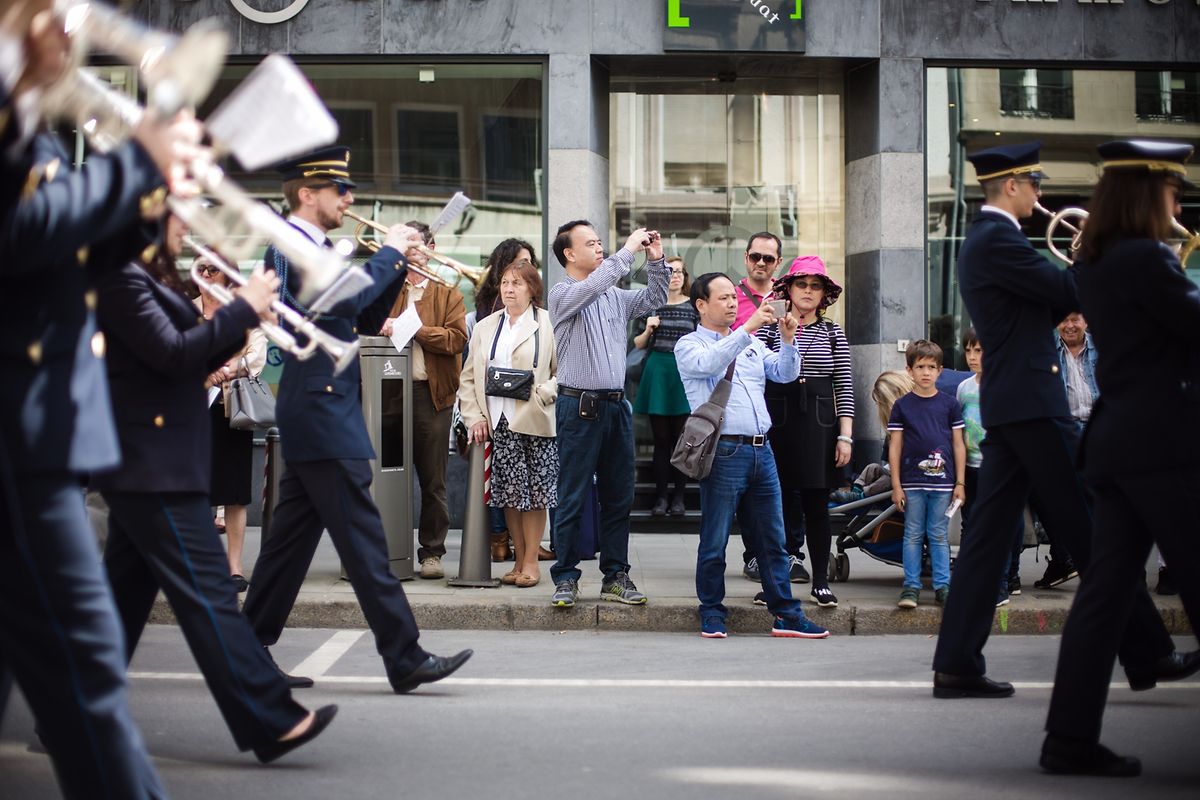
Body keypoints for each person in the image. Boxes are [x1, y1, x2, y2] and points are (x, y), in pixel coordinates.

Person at [0, 7, 198, 789]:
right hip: (23, 433)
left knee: (77, 682)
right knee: (88, 683)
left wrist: (147, 194)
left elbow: (59, 256)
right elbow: (19, 233)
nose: (70, 33)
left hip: (39, 428)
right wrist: (135, 167)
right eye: (49, 13)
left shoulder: (29, 125)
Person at [931, 141, 1189, 700]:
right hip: (1032, 401)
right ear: (1014, 186)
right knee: (1096, 525)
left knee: (987, 539)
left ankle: (956, 662)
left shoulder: (992, 241)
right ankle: (1148, 650)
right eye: (1037, 185)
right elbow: (1068, 291)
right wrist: (1095, 251)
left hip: (1016, 400)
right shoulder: (997, 238)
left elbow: (1050, 306)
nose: (1042, 196)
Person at [94, 220, 337, 764]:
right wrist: (240, 309)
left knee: (118, 605)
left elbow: (196, 357)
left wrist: (248, 317)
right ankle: (269, 719)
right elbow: (175, 357)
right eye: (177, 212)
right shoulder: (121, 279)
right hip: (151, 462)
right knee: (210, 596)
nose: (187, 223)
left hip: (153, 462)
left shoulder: (149, 278)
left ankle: (69, 713)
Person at [241, 146, 472, 692]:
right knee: (367, 541)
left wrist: (401, 268)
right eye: (338, 190)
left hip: (321, 405)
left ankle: (246, 651)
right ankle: (404, 654)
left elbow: (366, 315)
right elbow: (342, 301)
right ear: (306, 194)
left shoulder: (319, 245)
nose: (349, 200)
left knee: (287, 546)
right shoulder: (294, 243)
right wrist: (391, 253)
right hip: (320, 409)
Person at [1042, 139, 1200, 777]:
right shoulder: (1145, 258)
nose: (1179, 202)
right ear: (1148, 194)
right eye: (1172, 191)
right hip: (1160, 446)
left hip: (1119, 443)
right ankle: (1069, 741)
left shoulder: (1100, 259)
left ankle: (1069, 738)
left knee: (1103, 598)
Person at [675, 273, 829, 640]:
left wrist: (790, 341)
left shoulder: (752, 342)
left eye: (734, 297)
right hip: (724, 450)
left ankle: (786, 615)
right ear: (701, 305)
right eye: (724, 297)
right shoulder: (689, 344)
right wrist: (747, 328)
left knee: (773, 540)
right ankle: (712, 611)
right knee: (715, 539)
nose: (732, 303)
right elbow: (709, 365)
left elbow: (785, 374)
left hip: (763, 450)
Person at [546, 220, 667, 608]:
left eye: (601, 243)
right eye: (592, 243)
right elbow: (593, 286)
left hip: (616, 406)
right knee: (572, 495)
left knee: (618, 497)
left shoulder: (615, 296)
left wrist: (656, 259)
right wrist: (627, 251)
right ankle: (565, 576)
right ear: (569, 253)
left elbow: (655, 298)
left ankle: (616, 574)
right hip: (577, 405)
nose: (599, 248)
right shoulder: (563, 294)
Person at [755, 256, 854, 609]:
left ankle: (821, 582)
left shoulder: (833, 331)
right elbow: (757, 376)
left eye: (816, 286)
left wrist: (846, 435)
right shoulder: (768, 328)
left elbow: (843, 385)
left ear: (824, 293)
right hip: (777, 420)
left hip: (819, 422)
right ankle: (774, 582)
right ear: (789, 290)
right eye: (802, 285)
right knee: (775, 506)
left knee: (816, 505)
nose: (808, 291)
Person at [459, 255, 557, 587]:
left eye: (517, 283)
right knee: (510, 494)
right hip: (498, 420)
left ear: (532, 288)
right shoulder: (486, 326)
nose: (509, 289)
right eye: (504, 283)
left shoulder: (548, 322)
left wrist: (543, 393)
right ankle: (518, 561)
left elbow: (564, 372)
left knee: (535, 493)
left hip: (533, 417)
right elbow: (469, 377)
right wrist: (473, 417)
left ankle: (531, 561)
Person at [379, 220, 467, 579]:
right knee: (388, 476)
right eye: (406, 245)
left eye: (418, 245)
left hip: (432, 394)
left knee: (433, 479)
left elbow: (456, 340)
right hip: (388, 391)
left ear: (431, 247)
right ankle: (389, 549)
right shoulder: (387, 286)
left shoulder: (448, 292)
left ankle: (431, 552)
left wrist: (416, 330)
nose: (414, 252)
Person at [192, 234, 267, 593]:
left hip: (230, 409)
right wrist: (203, 374)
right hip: (191, 410)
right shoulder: (185, 310)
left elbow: (259, 353)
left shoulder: (241, 311)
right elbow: (173, 352)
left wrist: (233, 367)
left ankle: (234, 568)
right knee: (196, 489)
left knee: (234, 492)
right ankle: (201, 565)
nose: (206, 275)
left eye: (213, 269)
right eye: (202, 269)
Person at [730, 231, 805, 582]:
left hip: (788, 391)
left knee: (788, 481)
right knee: (749, 484)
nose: (761, 263)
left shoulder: (788, 295)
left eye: (768, 258)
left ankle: (790, 551)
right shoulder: (732, 297)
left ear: (778, 262)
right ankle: (753, 554)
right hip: (749, 395)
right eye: (755, 256)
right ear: (746, 258)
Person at [887, 340, 965, 609]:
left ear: (940, 371)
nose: (926, 372)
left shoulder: (949, 405)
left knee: (939, 534)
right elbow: (895, 447)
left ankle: (943, 586)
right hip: (911, 482)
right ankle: (911, 587)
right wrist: (896, 485)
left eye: (931, 367)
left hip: (943, 483)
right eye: (920, 366)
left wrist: (960, 482)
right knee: (912, 534)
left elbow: (958, 444)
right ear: (909, 370)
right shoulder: (901, 406)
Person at [956, 328, 1023, 606]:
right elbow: (958, 429)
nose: (973, 357)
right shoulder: (964, 387)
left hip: (999, 467)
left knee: (1003, 525)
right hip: (971, 466)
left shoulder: (1007, 385)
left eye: (979, 350)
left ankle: (1002, 584)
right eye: (969, 351)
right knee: (972, 524)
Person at [631, 255, 697, 516]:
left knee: (682, 440)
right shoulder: (653, 305)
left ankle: (679, 498)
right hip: (658, 370)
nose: (676, 276)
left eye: (680, 272)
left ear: (685, 276)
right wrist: (648, 329)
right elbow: (636, 344)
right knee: (661, 440)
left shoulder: (695, 307)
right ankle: (660, 498)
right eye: (671, 272)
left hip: (683, 373)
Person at [1055, 312, 1098, 427]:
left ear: (1086, 322)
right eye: (1064, 320)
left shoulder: (1101, 347)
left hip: (1099, 425)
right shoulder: (1049, 352)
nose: (1069, 326)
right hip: (1066, 427)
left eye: (1075, 320)